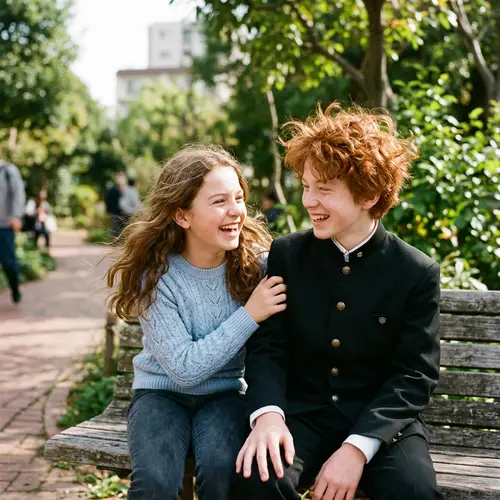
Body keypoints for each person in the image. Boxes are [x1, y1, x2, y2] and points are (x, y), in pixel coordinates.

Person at [233, 103, 442, 500]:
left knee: (414, 493)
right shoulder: (287, 255)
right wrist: (269, 418)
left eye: (323, 190)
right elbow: (269, 347)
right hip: (301, 416)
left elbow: (414, 376)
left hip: (383, 428)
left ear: (368, 194)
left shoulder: (415, 271)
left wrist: (356, 447)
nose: (308, 201)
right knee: (256, 481)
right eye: (306, 187)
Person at [106, 145, 287, 500]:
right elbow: (184, 370)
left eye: (238, 198)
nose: (236, 210)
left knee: (225, 473)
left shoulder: (254, 267)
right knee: (155, 486)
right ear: (182, 215)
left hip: (226, 396)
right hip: (160, 396)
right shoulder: (155, 277)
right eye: (219, 201)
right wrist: (250, 314)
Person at [0, 155, 26, 304]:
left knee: (9, 263)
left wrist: (16, 216)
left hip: (4, 225)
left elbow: (18, 193)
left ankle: (15, 288)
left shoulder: (8, 171)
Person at [106, 172, 127, 238]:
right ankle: (113, 243)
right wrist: (109, 211)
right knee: (114, 229)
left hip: (126, 214)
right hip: (115, 213)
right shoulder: (112, 190)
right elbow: (108, 201)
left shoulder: (127, 190)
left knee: (124, 230)